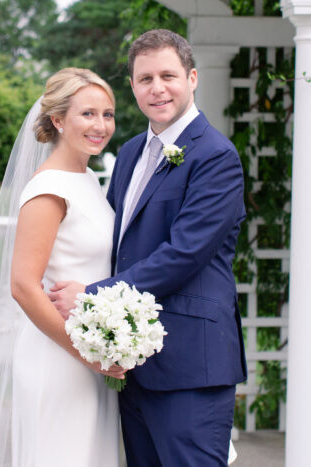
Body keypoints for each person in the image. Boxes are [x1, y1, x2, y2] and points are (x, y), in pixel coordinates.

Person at [50, 29, 247, 466]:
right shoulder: (132, 151)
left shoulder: (216, 156)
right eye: (144, 79)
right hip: (133, 362)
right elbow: (115, 242)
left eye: (168, 76)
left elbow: (185, 254)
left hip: (190, 365)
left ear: (192, 78)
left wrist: (92, 295)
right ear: (134, 87)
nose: (157, 88)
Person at [0, 67, 125, 467]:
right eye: (87, 114)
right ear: (57, 119)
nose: (100, 125)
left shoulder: (86, 178)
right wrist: (89, 355)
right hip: (59, 358)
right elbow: (23, 286)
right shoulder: (48, 188)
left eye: (107, 114)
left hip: (92, 355)